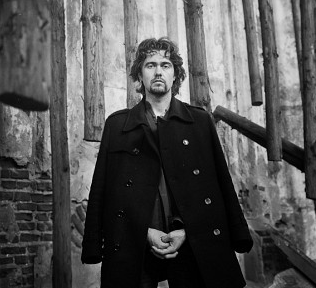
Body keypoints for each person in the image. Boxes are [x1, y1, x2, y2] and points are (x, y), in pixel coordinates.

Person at [81, 37, 253, 288]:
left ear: (175, 75)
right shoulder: (118, 125)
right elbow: (102, 191)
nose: (158, 71)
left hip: (190, 236)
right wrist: (141, 232)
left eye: (166, 65)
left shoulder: (199, 122)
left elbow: (220, 184)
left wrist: (188, 231)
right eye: (150, 65)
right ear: (140, 75)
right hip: (136, 238)